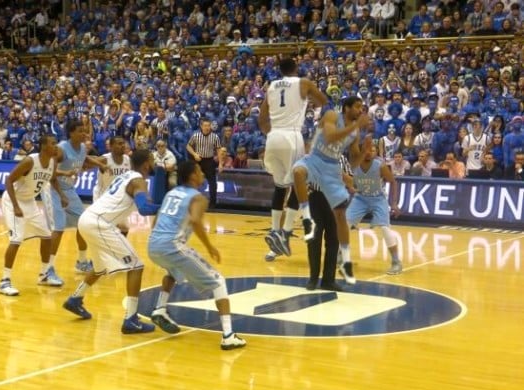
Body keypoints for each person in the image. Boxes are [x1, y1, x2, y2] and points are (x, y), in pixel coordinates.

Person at [147, 161, 246, 350]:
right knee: (218, 282)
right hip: (172, 246)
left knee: (173, 271)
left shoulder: (171, 193)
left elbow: (157, 219)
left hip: (153, 244)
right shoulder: (198, 198)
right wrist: (210, 247)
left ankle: (160, 308)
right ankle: (228, 335)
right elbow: (195, 221)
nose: (202, 174)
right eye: (200, 171)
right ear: (193, 175)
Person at [62, 149, 160, 333]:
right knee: (136, 266)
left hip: (87, 219)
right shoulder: (138, 180)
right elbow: (145, 209)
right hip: (99, 223)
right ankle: (131, 319)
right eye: (153, 160)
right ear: (147, 163)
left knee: (100, 267)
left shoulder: (126, 176)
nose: (154, 164)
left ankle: (75, 299)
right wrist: (167, 206)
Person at [291, 96, 370, 285]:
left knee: (333, 239)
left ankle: (328, 280)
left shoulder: (352, 136)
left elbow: (353, 162)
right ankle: (312, 278)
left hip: (333, 194)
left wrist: (364, 152)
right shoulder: (332, 115)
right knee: (314, 239)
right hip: (316, 193)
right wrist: (356, 125)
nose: (361, 111)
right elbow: (330, 136)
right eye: (358, 107)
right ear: (347, 108)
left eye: (362, 108)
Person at [258, 57, 328, 259]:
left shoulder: (271, 86)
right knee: (299, 183)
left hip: (273, 137)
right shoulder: (303, 82)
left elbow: (262, 118)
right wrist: (307, 102)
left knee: (280, 187)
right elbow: (322, 100)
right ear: (296, 68)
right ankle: (285, 233)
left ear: (280, 71)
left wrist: (270, 134)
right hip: (292, 135)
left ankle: (274, 230)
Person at [0, 135, 65, 296]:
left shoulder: (52, 162)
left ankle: (44, 275)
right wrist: (15, 206)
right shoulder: (30, 161)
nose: (56, 146)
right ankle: (4, 281)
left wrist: (62, 195)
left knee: (47, 236)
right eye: (52, 143)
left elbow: (53, 178)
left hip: (29, 202)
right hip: (13, 200)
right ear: (43, 146)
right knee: (17, 238)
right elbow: (8, 180)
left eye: (56, 143)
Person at [41, 120, 106, 282]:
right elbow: (51, 173)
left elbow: (84, 160)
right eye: (80, 131)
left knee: (83, 223)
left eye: (85, 131)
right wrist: (62, 195)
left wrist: (99, 163)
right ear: (71, 133)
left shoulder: (83, 147)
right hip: (53, 189)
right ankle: (47, 270)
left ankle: (82, 262)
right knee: (59, 228)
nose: (84, 133)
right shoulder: (61, 149)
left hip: (69, 190)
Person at [346, 146, 403, 275]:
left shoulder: (380, 166)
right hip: (360, 198)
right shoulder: (354, 165)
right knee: (344, 225)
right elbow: (349, 181)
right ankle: (340, 254)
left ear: (376, 152)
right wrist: (351, 187)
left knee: (385, 228)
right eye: (367, 149)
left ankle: (396, 262)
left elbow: (393, 182)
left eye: (372, 150)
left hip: (378, 199)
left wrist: (394, 203)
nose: (369, 152)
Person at [186, 118, 224, 208]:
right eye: (205, 126)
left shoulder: (215, 137)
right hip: (198, 160)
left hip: (209, 160)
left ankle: (212, 204)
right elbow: (188, 146)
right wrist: (194, 154)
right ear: (201, 126)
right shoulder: (196, 136)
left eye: (208, 126)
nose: (207, 127)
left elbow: (219, 150)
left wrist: (221, 163)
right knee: (194, 181)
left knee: (212, 183)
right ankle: (191, 202)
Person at [92, 136, 131, 202]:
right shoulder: (104, 159)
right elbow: (86, 163)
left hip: (117, 197)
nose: (123, 145)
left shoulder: (127, 159)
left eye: (123, 143)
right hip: (102, 196)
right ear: (111, 146)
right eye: (120, 144)